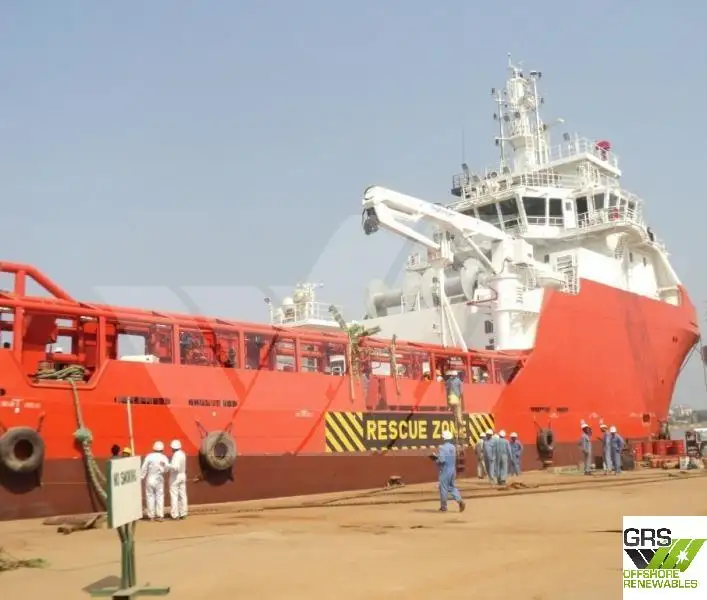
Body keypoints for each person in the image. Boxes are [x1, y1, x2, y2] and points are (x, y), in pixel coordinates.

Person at [430, 429, 466, 513]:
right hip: (452, 470)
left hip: (445, 470)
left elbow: (442, 460)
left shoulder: (442, 448)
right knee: (451, 487)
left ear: (444, 438)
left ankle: (443, 507)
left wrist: (435, 458)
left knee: (443, 488)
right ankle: (460, 500)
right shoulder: (453, 447)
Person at [140, 441, 170, 521]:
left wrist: (141, 477)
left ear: (154, 448)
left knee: (150, 496)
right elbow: (167, 469)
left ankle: (151, 516)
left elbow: (144, 468)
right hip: (159, 478)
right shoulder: (164, 457)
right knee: (160, 497)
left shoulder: (149, 456)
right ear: (162, 449)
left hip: (150, 478)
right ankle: (160, 516)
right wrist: (162, 470)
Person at [168, 439, 188, 520]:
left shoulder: (176, 455)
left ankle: (175, 515)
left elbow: (175, 467)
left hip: (175, 477)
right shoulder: (182, 454)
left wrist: (167, 465)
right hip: (182, 475)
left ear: (173, 448)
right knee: (183, 495)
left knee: (174, 495)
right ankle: (183, 513)